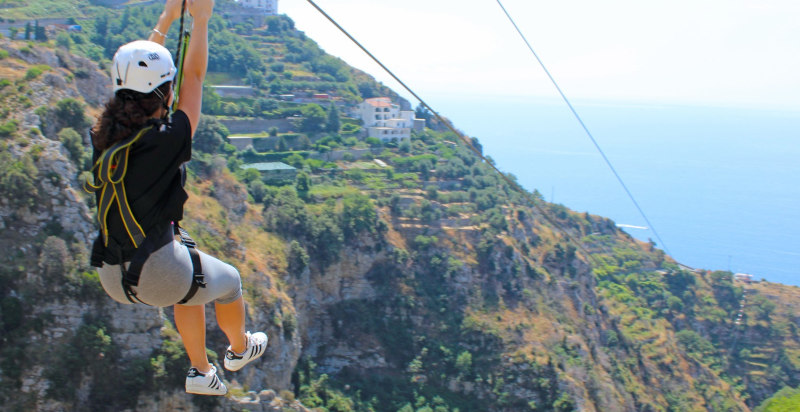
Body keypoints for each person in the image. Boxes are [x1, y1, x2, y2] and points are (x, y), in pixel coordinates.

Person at [86, 0, 266, 396]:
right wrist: (200, 19)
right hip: (156, 273)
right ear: (164, 91)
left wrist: (166, 21)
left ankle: (201, 372)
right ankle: (239, 349)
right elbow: (195, 78)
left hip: (112, 272)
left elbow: (141, 75)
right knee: (229, 281)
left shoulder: (103, 135)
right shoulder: (164, 141)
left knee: (192, 277)